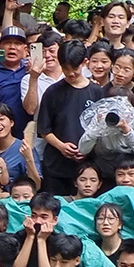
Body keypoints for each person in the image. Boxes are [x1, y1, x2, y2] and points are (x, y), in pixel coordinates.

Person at [37, 40, 106, 195]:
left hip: (87, 168)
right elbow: (44, 130)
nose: (70, 73)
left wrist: (88, 149)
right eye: (65, 68)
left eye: (74, 68)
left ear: (84, 63)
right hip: (57, 167)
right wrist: (61, 146)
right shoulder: (53, 92)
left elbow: (102, 128)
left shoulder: (96, 91)